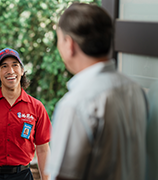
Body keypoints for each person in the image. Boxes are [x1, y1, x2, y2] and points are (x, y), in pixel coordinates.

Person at [45, 3, 148, 180]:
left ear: (69, 44)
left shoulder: (76, 103)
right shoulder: (135, 90)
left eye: (59, 39)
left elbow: (63, 176)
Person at [0, 48, 51, 180]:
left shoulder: (37, 107)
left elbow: (43, 150)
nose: (11, 71)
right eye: (4, 66)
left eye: (15, 65)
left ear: (22, 70)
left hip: (23, 175)